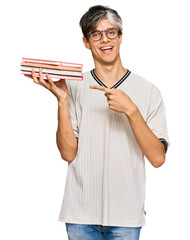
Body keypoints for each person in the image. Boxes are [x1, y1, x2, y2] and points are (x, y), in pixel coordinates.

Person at [26, 5, 170, 240]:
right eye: (96, 34)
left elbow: (157, 158)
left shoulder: (149, 91)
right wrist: (62, 100)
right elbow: (68, 153)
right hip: (80, 216)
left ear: (121, 36)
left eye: (111, 32)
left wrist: (131, 111)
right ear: (86, 41)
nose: (105, 39)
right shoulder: (73, 86)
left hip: (126, 217)